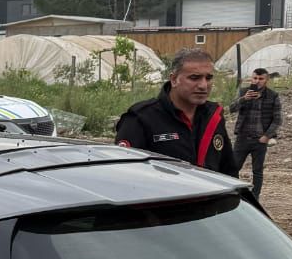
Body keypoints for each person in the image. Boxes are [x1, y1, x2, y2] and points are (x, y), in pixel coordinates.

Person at [115, 48, 239, 176]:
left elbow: (228, 169)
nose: (203, 85)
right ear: (174, 79)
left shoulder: (213, 116)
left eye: (208, 78)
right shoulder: (141, 118)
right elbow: (123, 173)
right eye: (194, 78)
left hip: (210, 195)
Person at [229, 67, 282, 199]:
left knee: (257, 171)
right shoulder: (243, 92)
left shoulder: (272, 96)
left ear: (266, 80)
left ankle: (255, 196)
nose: (257, 81)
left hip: (260, 140)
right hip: (243, 138)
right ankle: (233, 193)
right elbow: (231, 109)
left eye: (261, 79)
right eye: (255, 78)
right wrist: (243, 99)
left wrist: (266, 136)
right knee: (233, 168)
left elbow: (277, 119)